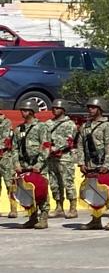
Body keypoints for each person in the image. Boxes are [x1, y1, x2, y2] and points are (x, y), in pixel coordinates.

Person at [13, 97, 51, 229]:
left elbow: (46, 146)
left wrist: (39, 164)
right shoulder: (19, 129)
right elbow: (15, 148)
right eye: (22, 110)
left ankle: (44, 217)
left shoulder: (41, 127)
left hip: (38, 165)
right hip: (24, 165)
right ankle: (32, 217)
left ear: (32, 111)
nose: (22, 112)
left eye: (25, 110)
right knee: (28, 192)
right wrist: (16, 163)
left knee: (41, 190)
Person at [78, 97, 109, 230]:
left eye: (93, 107)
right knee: (93, 193)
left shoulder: (107, 126)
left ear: (100, 109)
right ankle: (95, 220)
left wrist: (107, 164)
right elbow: (80, 146)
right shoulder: (85, 126)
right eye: (89, 107)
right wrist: (81, 162)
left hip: (104, 164)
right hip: (90, 165)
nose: (90, 110)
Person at [44, 99, 78, 219]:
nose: (55, 110)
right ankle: (59, 207)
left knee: (68, 183)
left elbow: (69, 141)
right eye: (53, 108)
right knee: (54, 183)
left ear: (63, 110)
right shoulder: (48, 123)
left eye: (57, 108)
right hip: (51, 158)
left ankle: (73, 208)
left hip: (65, 157)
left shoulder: (70, 124)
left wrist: (55, 148)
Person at [0, 111, 14, 218]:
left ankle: (13, 208)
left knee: (9, 183)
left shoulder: (6, 122)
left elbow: (6, 140)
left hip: (5, 157)